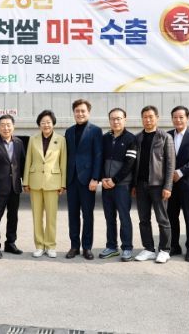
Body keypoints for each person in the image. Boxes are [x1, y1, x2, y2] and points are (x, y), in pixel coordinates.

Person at [130, 106, 175, 264]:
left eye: (150, 116)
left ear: (157, 118)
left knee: (162, 219)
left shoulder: (165, 137)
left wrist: (168, 186)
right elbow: (134, 163)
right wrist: (134, 185)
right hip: (141, 185)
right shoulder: (138, 138)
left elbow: (170, 164)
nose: (148, 120)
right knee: (143, 219)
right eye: (145, 117)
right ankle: (148, 249)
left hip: (158, 185)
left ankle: (165, 250)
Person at [23, 110, 67, 258]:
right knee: (37, 216)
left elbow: (63, 162)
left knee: (51, 217)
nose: (46, 125)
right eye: (43, 122)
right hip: (35, 181)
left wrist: (63, 184)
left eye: (48, 122)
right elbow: (28, 160)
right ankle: (39, 245)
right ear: (39, 125)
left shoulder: (61, 140)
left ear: (53, 123)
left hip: (53, 182)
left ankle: (50, 245)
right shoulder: (33, 139)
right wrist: (26, 181)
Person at [64, 99, 103, 260]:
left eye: (83, 111)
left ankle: (87, 247)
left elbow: (98, 155)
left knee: (87, 215)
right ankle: (74, 246)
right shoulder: (69, 131)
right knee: (72, 215)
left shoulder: (96, 131)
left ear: (88, 112)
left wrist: (95, 178)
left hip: (88, 180)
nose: (80, 114)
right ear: (73, 113)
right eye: (77, 111)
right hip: (72, 179)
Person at [0, 115, 26, 259]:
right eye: (3, 125)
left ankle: (10, 243)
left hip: (15, 187)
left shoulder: (19, 143)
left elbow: (22, 163)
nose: (6, 128)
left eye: (8, 125)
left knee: (13, 217)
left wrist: (25, 182)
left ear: (13, 127)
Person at [99, 108, 135, 262]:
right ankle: (112, 247)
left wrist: (115, 180)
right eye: (113, 119)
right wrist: (103, 178)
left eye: (119, 118)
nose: (116, 121)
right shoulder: (105, 138)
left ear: (125, 119)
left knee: (124, 217)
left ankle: (127, 248)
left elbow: (129, 163)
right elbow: (100, 159)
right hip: (106, 185)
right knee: (109, 217)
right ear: (109, 121)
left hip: (122, 186)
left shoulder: (131, 139)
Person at [167, 106, 189, 262]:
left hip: (188, 184)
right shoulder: (167, 135)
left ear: (188, 118)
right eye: (175, 117)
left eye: (181, 117)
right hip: (171, 185)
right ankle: (174, 246)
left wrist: (180, 172)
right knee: (172, 217)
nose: (178, 120)